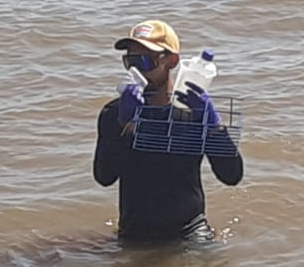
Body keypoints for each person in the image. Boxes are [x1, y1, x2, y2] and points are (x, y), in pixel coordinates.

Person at [93, 19, 244, 243]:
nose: (137, 71)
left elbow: (231, 176)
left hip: (191, 232)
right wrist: (124, 125)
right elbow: (104, 177)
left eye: (145, 61)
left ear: (171, 61)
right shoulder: (114, 113)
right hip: (135, 232)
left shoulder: (193, 113)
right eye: (130, 62)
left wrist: (214, 126)